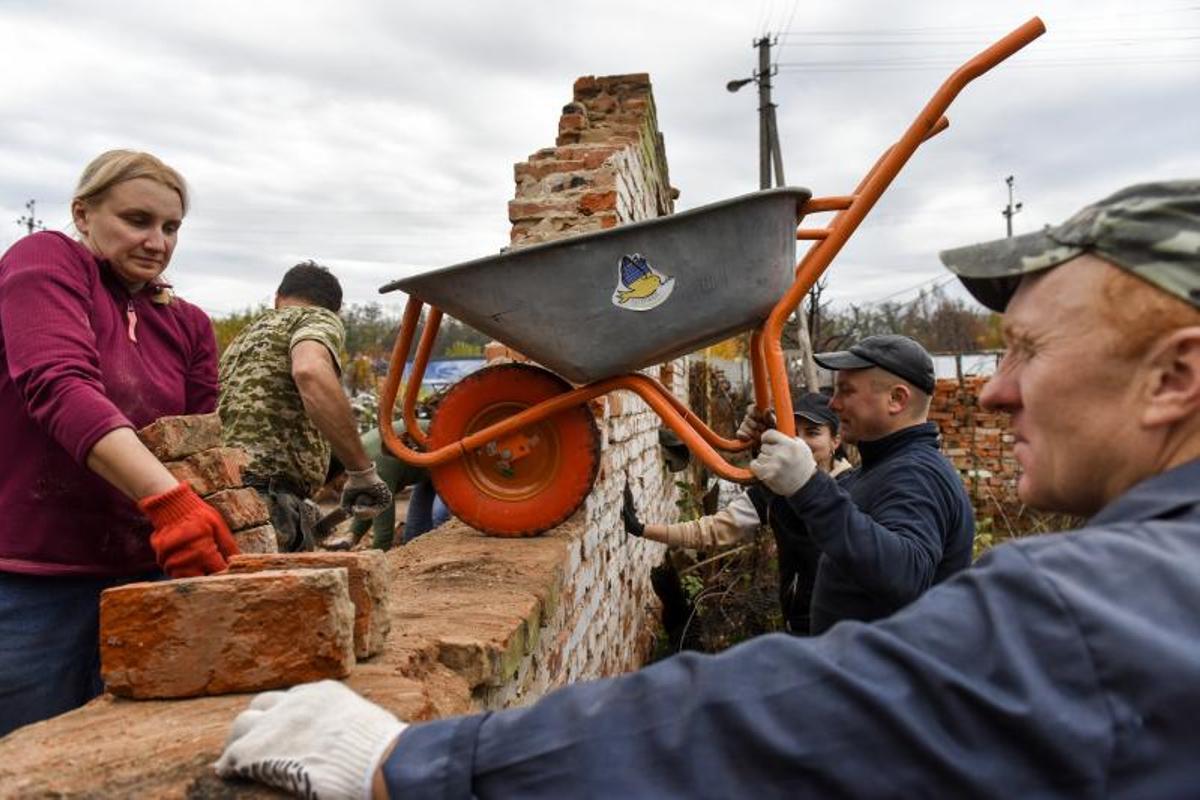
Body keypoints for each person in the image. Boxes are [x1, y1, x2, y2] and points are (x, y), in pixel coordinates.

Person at [217, 180, 1200, 797]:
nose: (994, 385)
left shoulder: (1121, 600)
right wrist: (780, 484)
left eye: (1027, 348)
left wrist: (419, 762)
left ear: (1176, 377)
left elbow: (822, 709)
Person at [0, 150, 237, 736]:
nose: (157, 241)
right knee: (31, 751)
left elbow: (199, 444)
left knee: (131, 747)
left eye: (172, 227)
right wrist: (171, 502)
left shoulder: (186, 323)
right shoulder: (47, 262)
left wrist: (222, 513)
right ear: (83, 214)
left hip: (146, 572)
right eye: (137, 220)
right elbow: (59, 386)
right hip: (36, 580)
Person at [743, 334, 975, 632]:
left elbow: (906, 573)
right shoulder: (878, 469)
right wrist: (772, 457)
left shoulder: (916, 474)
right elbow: (815, 538)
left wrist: (810, 485)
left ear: (897, 399)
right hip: (853, 668)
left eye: (846, 391)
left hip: (887, 675)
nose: (833, 403)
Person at [622, 392, 851, 633]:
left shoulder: (853, 491)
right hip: (798, 625)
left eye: (813, 433)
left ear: (835, 441)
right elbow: (717, 529)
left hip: (843, 631)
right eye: (794, 433)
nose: (801, 442)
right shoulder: (777, 490)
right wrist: (643, 529)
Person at [218, 263, 392, 551]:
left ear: (277, 298)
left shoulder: (243, 339)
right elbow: (310, 370)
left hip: (228, 494)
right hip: (269, 499)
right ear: (335, 310)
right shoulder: (316, 319)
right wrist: (362, 474)